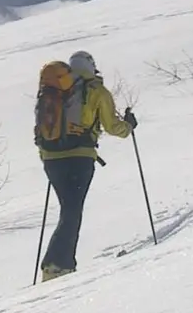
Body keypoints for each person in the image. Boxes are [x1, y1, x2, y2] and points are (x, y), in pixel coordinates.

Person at [38, 50, 133, 281]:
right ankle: (56, 265)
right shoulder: (96, 90)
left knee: (68, 209)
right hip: (80, 158)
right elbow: (112, 127)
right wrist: (129, 126)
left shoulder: (54, 90)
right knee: (72, 210)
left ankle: (61, 264)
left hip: (51, 159)